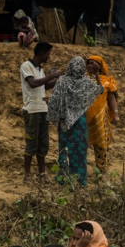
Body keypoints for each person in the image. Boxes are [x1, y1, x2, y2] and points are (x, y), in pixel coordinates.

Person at [48, 57, 103, 186]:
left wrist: (56, 117)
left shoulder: (62, 81)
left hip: (65, 122)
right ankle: (80, 180)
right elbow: (100, 90)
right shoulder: (86, 82)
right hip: (80, 122)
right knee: (80, 150)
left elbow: (53, 101)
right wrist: (96, 74)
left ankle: (63, 179)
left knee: (65, 149)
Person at [21, 42, 64, 182]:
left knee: (43, 143)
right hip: (32, 109)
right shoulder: (26, 66)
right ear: (40, 53)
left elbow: (44, 85)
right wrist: (52, 76)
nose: (48, 56)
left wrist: (57, 81)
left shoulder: (40, 69)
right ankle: (27, 174)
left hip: (43, 108)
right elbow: (33, 84)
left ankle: (42, 174)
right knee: (31, 142)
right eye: (47, 53)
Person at [85, 55, 119, 173]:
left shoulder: (107, 81)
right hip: (85, 117)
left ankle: (101, 170)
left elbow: (111, 99)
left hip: (100, 117)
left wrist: (116, 114)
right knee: (82, 144)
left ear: (100, 65)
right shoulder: (83, 79)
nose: (90, 65)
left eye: (93, 63)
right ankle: (80, 171)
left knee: (100, 145)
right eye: (88, 63)